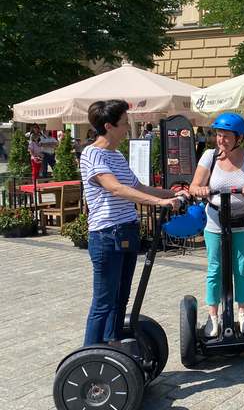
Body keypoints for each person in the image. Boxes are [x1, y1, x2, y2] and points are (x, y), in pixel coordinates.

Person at [80, 99, 189, 347]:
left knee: (121, 298)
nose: (128, 127)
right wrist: (159, 203)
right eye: (124, 123)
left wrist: (173, 194)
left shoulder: (116, 154)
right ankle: (89, 356)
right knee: (103, 301)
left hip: (127, 230)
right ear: (109, 126)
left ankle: (113, 346)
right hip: (106, 234)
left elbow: (138, 186)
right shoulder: (92, 153)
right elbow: (116, 189)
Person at [190, 113, 244, 337]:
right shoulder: (209, 156)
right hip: (215, 220)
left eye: (226, 136)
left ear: (240, 137)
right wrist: (200, 189)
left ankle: (242, 313)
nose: (221, 140)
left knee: (242, 268)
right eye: (219, 135)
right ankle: (213, 316)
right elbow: (194, 186)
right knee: (215, 268)